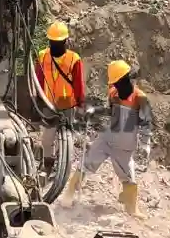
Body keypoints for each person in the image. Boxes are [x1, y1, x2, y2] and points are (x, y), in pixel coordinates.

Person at [65, 60, 152, 217]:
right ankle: (68, 196)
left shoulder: (140, 98)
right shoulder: (113, 93)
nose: (116, 87)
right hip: (107, 138)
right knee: (86, 162)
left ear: (127, 79)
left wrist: (146, 144)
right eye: (115, 83)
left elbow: (146, 123)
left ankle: (132, 209)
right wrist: (95, 111)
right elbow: (110, 111)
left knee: (128, 176)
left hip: (125, 144)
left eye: (119, 83)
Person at [34, 21, 86, 173]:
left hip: (67, 105)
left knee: (65, 136)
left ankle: (63, 162)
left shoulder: (73, 59)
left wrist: (81, 104)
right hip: (49, 104)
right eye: (53, 42)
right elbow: (38, 80)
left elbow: (78, 84)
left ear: (65, 41)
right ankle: (49, 164)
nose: (56, 44)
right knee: (47, 139)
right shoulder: (43, 56)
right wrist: (37, 100)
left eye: (58, 42)